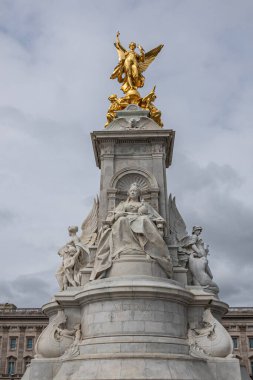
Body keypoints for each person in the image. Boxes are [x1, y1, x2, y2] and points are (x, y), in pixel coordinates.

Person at [90, 183, 172, 280]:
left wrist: (144, 214)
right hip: (125, 221)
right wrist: (118, 215)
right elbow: (112, 217)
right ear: (128, 193)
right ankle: (122, 249)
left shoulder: (144, 204)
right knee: (121, 220)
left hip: (140, 220)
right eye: (132, 191)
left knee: (144, 220)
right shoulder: (123, 205)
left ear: (138, 193)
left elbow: (156, 217)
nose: (133, 192)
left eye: (135, 191)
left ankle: (147, 249)